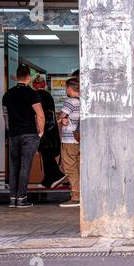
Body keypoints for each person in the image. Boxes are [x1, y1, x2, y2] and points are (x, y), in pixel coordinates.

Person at [2, 65, 45, 208]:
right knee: (25, 166)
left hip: (14, 134)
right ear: (29, 77)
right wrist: (41, 132)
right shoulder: (32, 93)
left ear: (16, 76)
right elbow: (40, 115)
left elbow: (5, 116)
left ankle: (12, 198)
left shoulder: (7, 94)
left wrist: (10, 132)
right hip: (29, 134)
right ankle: (22, 198)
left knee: (14, 166)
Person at [32, 75, 66, 189]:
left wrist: (38, 131)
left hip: (44, 128)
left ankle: (57, 174)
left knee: (46, 153)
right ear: (44, 84)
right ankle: (48, 180)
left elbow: (38, 115)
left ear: (34, 85)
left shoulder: (37, 95)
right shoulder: (48, 95)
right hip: (51, 128)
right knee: (47, 153)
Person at [58, 77, 80, 207]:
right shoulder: (84, 101)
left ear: (70, 89)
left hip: (70, 140)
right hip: (80, 139)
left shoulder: (70, 102)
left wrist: (61, 119)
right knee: (78, 168)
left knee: (70, 168)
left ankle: (76, 196)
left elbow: (61, 116)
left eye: (66, 88)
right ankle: (81, 194)